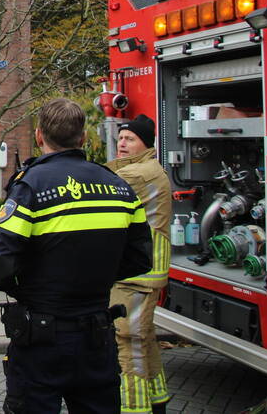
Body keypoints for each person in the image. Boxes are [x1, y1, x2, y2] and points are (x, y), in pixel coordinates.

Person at [0, 98, 153, 414]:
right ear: (83, 137)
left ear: (39, 136)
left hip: (42, 337)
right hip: (97, 336)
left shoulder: (31, 186)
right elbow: (141, 258)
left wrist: (32, 289)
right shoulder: (118, 187)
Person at [108, 114, 173, 414]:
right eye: (121, 137)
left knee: (127, 341)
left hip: (137, 274)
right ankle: (157, 400)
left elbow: (102, 186)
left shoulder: (138, 174)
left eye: (130, 139)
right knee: (144, 339)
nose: (122, 143)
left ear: (145, 144)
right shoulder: (144, 168)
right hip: (145, 272)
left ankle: (133, 408)